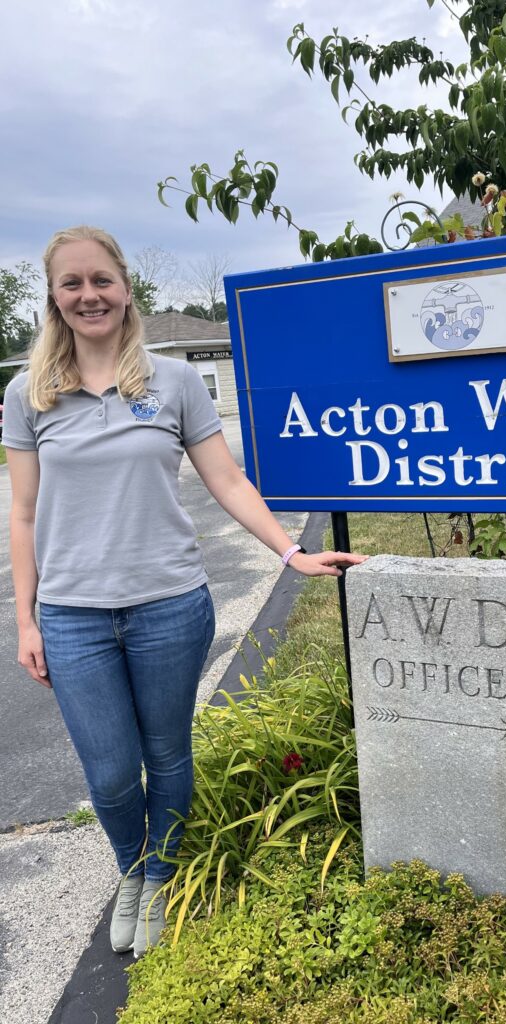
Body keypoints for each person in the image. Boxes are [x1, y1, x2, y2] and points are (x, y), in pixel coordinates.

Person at [3, 225, 366, 958]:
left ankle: (162, 873)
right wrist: (27, 621)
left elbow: (226, 479)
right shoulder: (29, 392)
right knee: (108, 773)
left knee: (167, 753)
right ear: (54, 296)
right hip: (72, 615)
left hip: (169, 604)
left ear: (125, 286)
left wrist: (290, 551)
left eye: (100, 279)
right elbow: (24, 512)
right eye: (71, 283)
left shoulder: (172, 381)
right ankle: (131, 869)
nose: (87, 295)